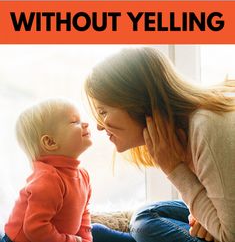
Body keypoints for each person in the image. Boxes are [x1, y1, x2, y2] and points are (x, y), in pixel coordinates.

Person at [85, 47, 235, 242]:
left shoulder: (205, 127)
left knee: (146, 224)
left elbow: (230, 235)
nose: (98, 125)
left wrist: (174, 169)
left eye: (103, 112)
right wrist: (202, 217)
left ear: (136, 102)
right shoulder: (189, 130)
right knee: (147, 215)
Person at [1, 98, 93, 242]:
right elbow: (35, 229)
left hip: (55, 236)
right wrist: (73, 240)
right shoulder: (48, 180)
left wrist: (85, 239)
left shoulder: (83, 175)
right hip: (23, 240)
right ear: (50, 142)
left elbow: (84, 213)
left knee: (98, 229)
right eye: (75, 122)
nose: (85, 124)